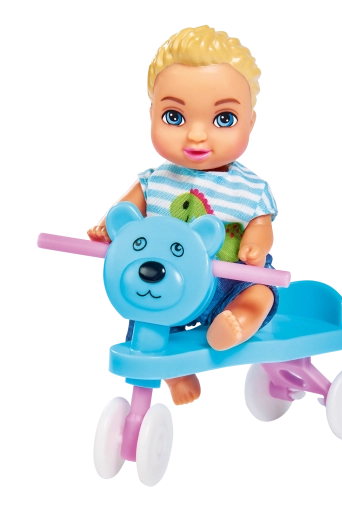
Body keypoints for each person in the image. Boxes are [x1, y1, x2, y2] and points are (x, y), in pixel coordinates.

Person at [87, 25, 279, 406]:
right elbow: (127, 211)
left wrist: (255, 247)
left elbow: (261, 224)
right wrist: (107, 229)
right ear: (152, 114)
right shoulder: (155, 179)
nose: (196, 136)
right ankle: (176, 375)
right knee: (146, 312)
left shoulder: (250, 188)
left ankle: (238, 322)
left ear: (251, 122)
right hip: (169, 283)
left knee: (259, 292)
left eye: (223, 119)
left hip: (227, 282)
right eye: (175, 117)